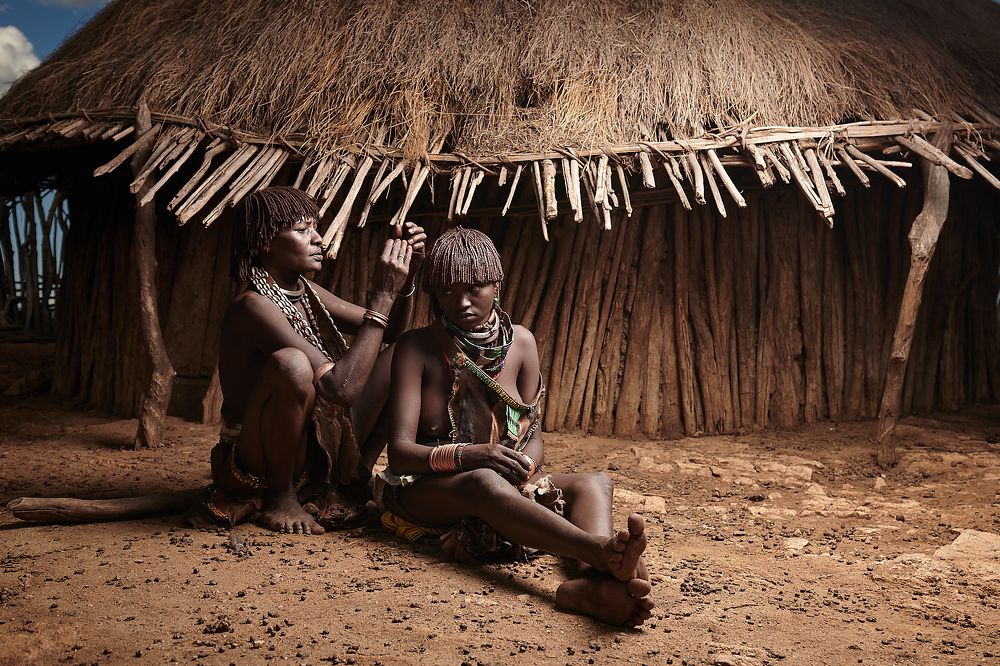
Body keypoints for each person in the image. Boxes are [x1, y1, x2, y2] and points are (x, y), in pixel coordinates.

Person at [376, 227, 654, 627]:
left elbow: (532, 436)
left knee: (594, 482)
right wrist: (475, 456)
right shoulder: (416, 348)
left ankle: (593, 587)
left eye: (475, 288)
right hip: (425, 493)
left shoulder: (521, 343)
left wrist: (524, 466)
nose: (463, 302)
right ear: (434, 294)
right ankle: (600, 552)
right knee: (483, 482)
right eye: (447, 292)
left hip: (503, 485)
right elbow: (401, 454)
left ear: (497, 285)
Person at [200, 186, 425, 536]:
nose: (319, 239)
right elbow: (340, 388)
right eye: (302, 230)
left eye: (315, 228)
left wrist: (406, 279)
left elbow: (390, 329)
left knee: (408, 350)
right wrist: (383, 294)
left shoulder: (303, 290)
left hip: (311, 449)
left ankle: (353, 480)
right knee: (292, 365)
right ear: (265, 242)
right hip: (252, 462)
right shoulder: (252, 305)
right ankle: (280, 497)